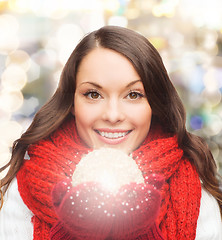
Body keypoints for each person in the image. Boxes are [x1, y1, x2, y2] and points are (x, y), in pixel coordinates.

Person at [0, 25, 222, 240]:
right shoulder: (21, 196)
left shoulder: (197, 196)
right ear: (71, 103)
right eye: (94, 94)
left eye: (133, 95)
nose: (113, 115)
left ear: (155, 104)